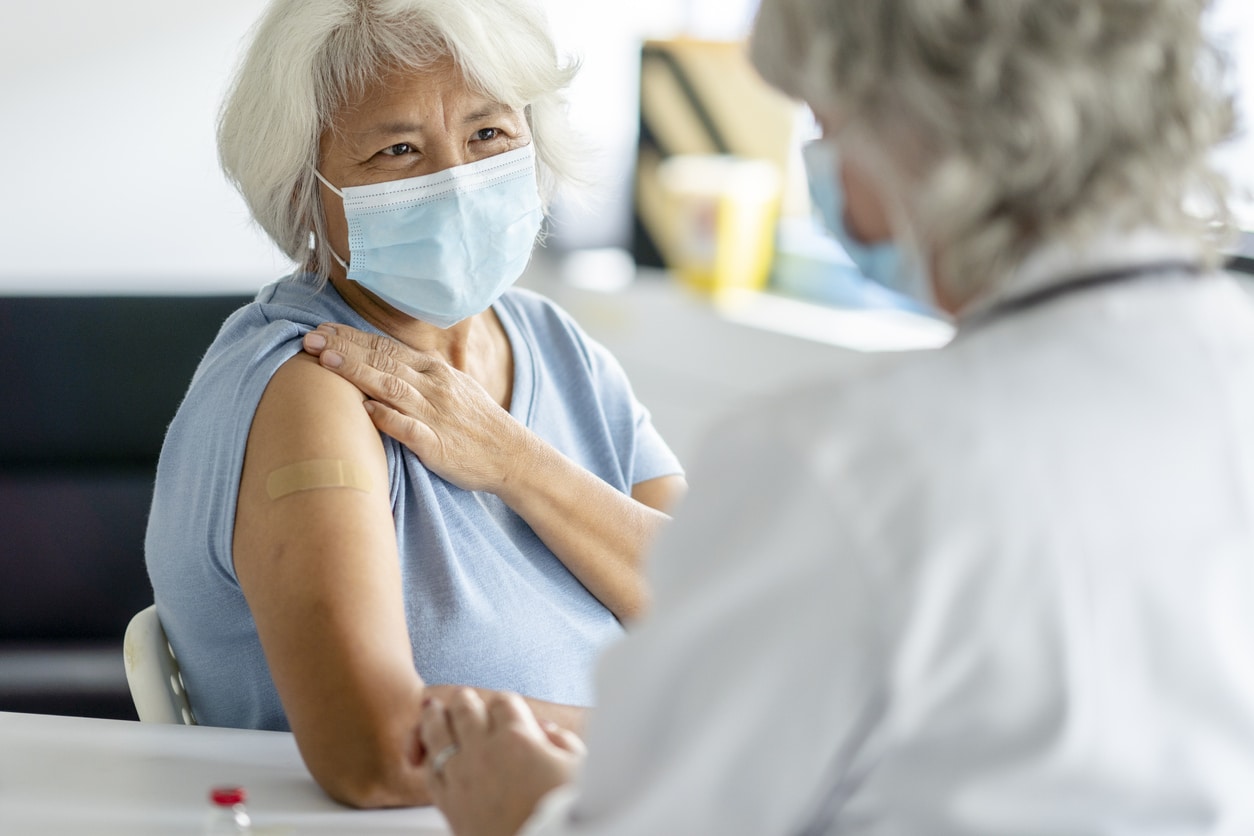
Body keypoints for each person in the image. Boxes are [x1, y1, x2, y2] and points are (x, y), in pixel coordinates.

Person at [412, 0, 1254, 833]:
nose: (825, 182)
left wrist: (522, 810)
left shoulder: (842, 461)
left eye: (827, 127)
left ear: (920, 131)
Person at [144, 0, 686, 810]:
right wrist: (670, 737)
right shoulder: (312, 388)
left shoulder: (555, 345)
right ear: (304, 192)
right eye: (398, 149)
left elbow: (716, 611)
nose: (458, 180)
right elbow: (379, 752)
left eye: (489, 134)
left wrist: (514, 461)